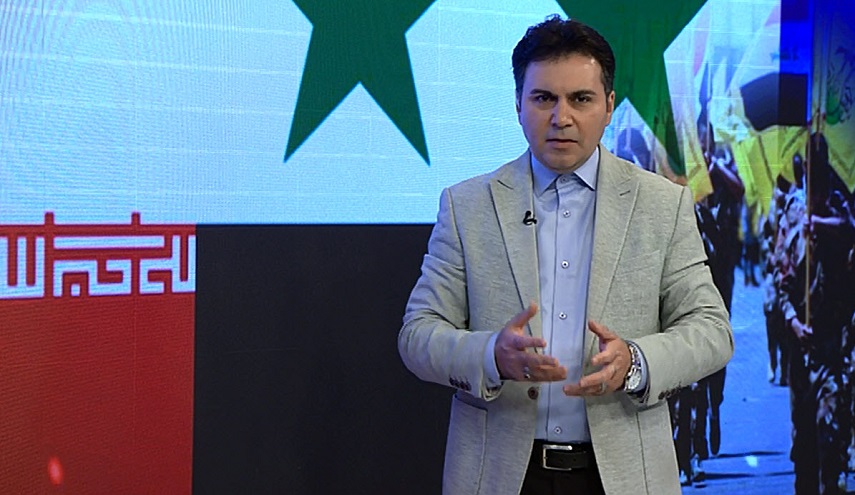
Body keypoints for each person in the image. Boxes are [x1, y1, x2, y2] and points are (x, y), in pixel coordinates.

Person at [398, 16, 733, 495]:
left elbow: (712, 330)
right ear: (518, 104)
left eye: (580, 99)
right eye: (543, 98)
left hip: (624, 476)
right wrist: (491, 355)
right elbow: (418, 335)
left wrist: (635, 362)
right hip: (499, 476)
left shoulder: (663, 205)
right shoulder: (467, 206)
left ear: (609, 105)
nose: (561, 117)